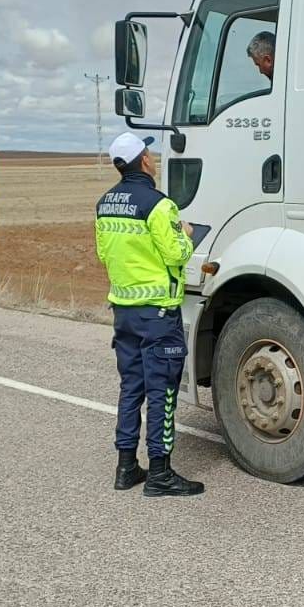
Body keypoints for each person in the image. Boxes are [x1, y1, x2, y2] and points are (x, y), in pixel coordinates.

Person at [96, 132, 204, 497]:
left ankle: (126, 468)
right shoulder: (159, 205)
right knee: (162, 393)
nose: (153, 158)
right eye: (150, 153)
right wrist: (187, 234)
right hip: (158, 315)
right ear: (143, 161)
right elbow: (176, 253)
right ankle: (160, 473)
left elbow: (103, 253)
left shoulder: (104, 203)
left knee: (131, 388)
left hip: (124, 312)